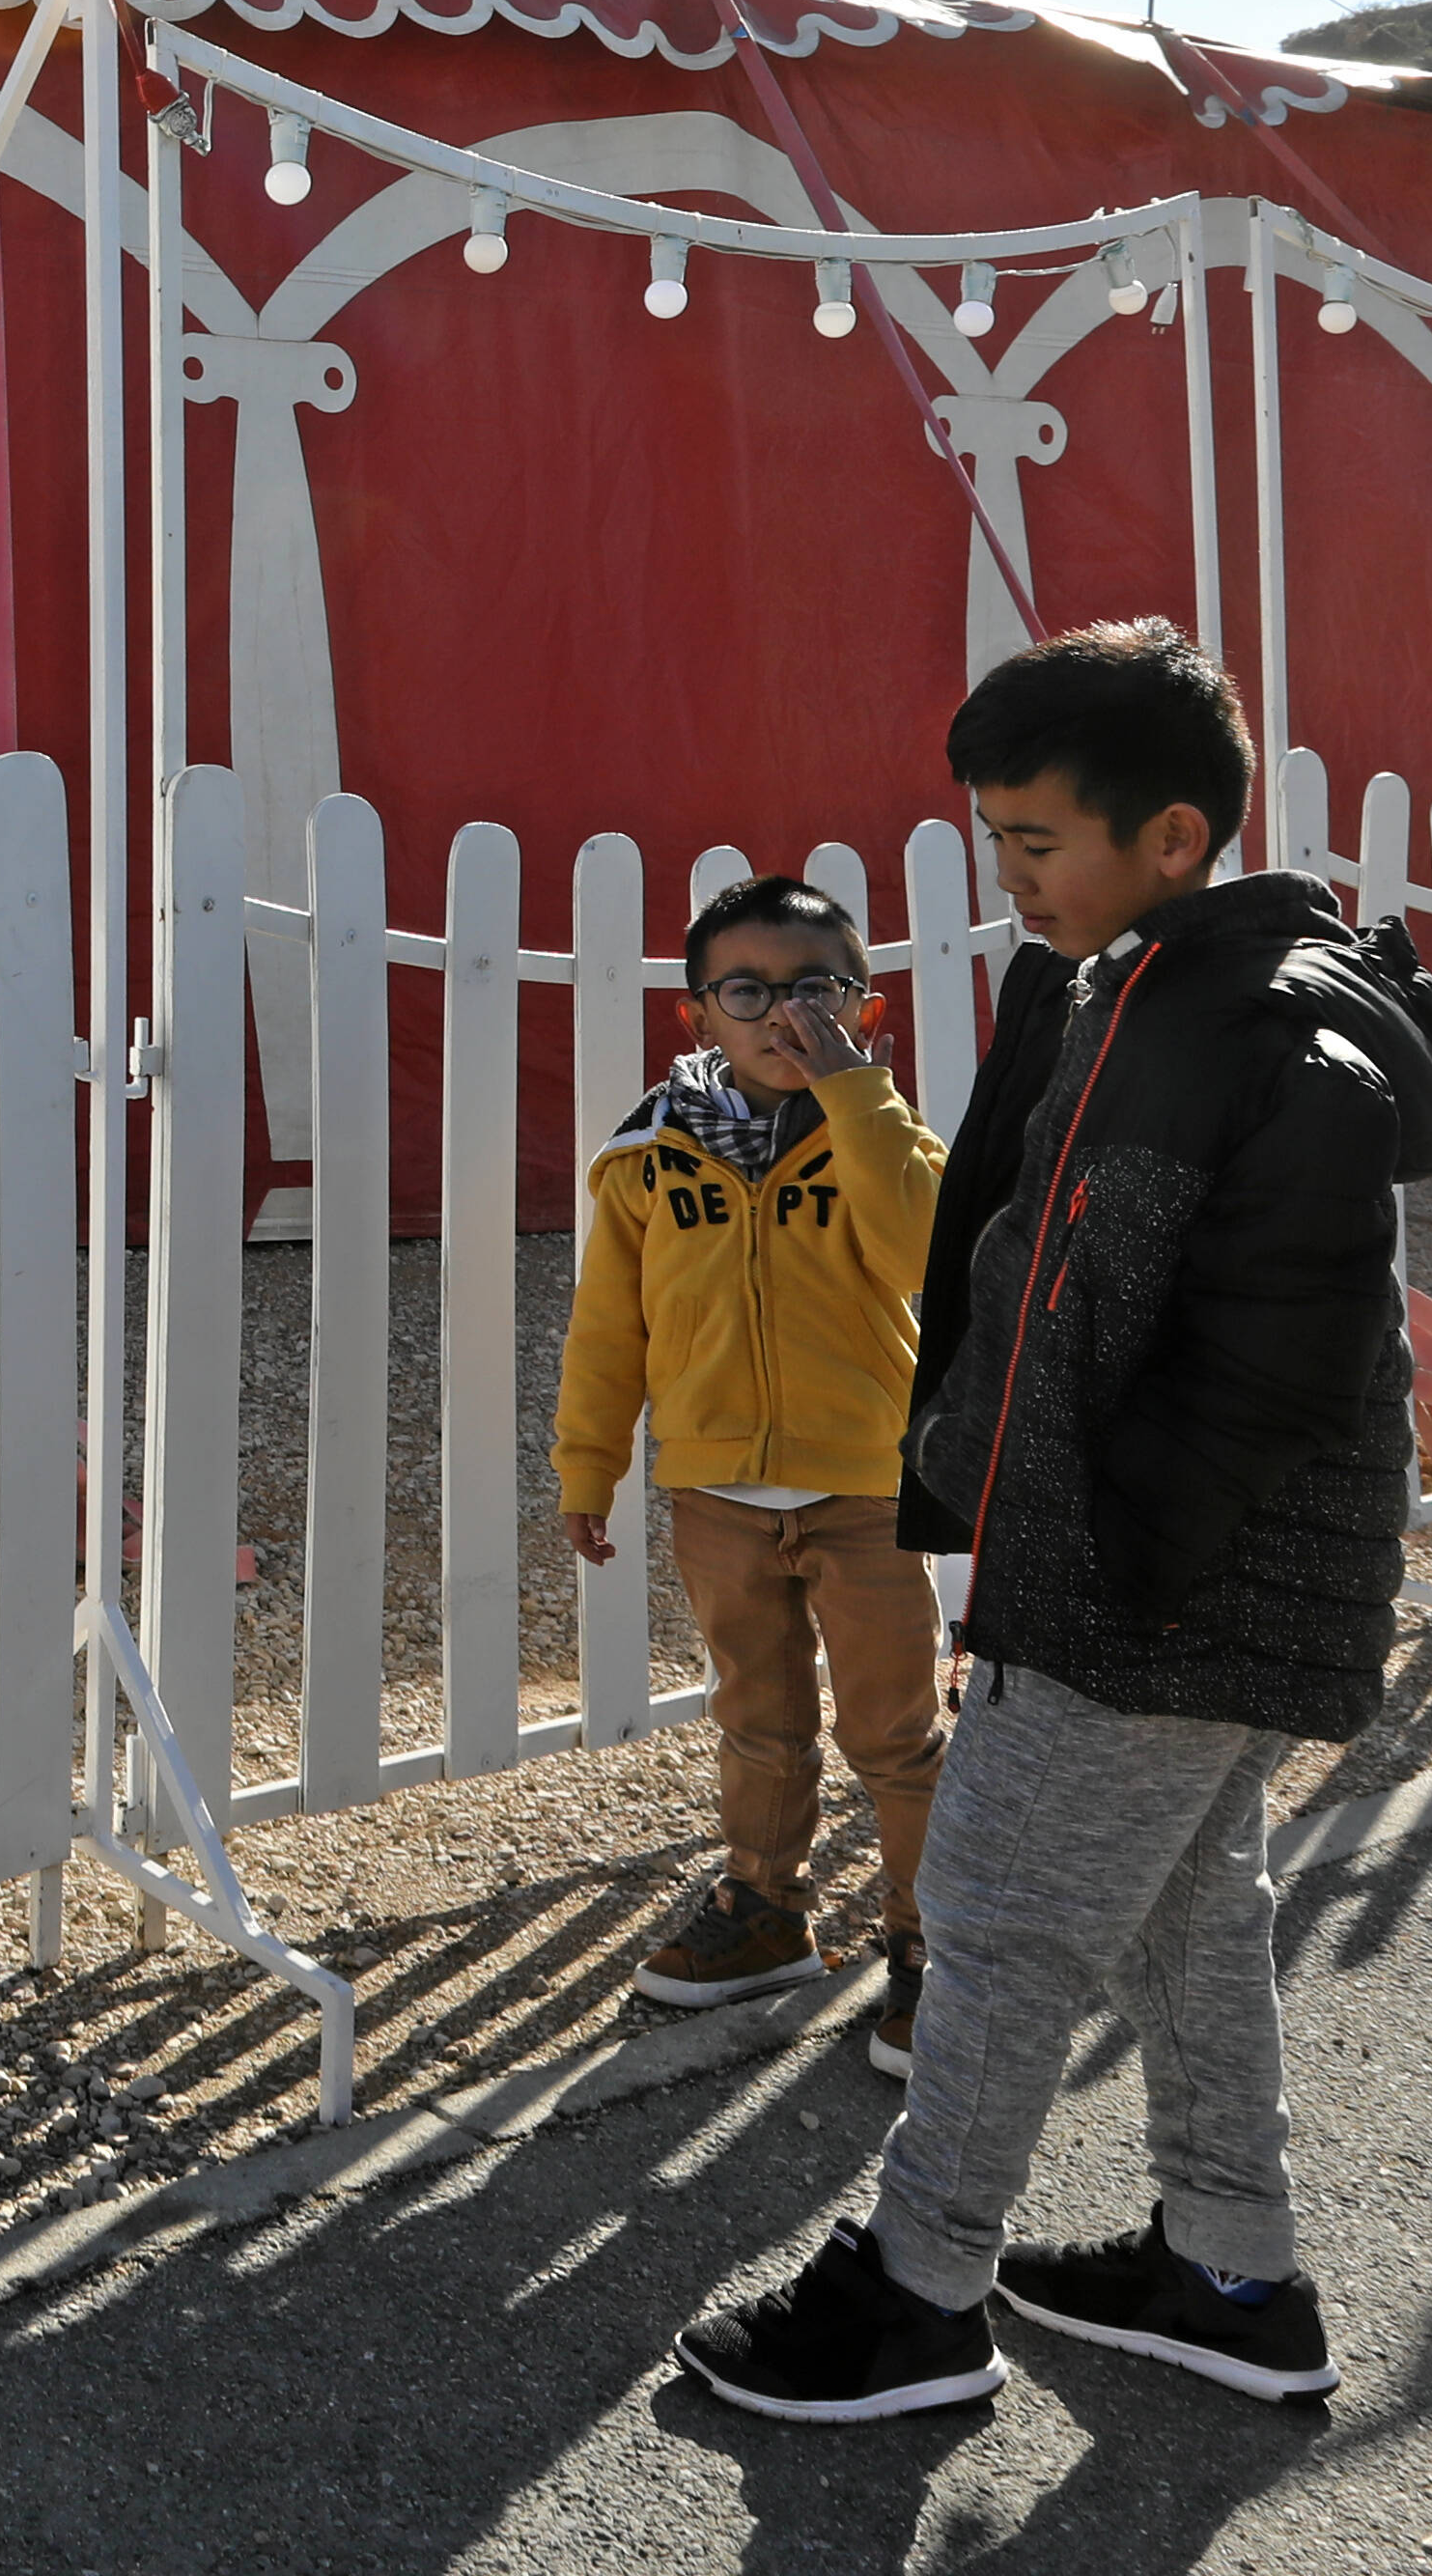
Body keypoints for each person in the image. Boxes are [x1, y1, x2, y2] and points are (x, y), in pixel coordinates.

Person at [681, 620, 1432, 2422]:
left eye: (1035, 841)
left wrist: (1103, 1567)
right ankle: (1233, 2267)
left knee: (1002, 1913)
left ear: (1172, 837)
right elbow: (1011, 1251)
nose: (1005, 875)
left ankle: (916, 2288)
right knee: (1191, 1908)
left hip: (1171, 1575)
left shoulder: (1265, 1032)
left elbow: (1273, 1366)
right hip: (1144, 1560)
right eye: (994, 835)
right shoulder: (1116, 982)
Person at [554, 870, 951, 2063]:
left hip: (866, 1489)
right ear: (696, 1017)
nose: (782, 1014)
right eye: (747, 990)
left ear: (865, 1010)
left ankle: (931, 1944)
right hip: (717, 1492)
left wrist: (855, 1097)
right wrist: (589, 1463)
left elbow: (924, 1247)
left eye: (817, 989)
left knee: (897, 1734)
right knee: (757, 1721)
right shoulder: (646, 1157)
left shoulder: (881, 1133)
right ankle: (766, 1913)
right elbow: (607, 1326)